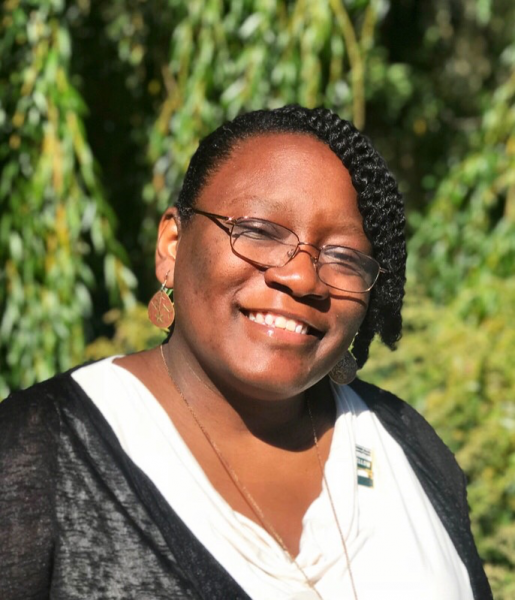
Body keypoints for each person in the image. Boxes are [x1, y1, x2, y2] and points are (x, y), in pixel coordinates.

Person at [0, 105, 491, 600]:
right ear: (172, 246)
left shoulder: (405, 444)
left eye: (343, 257)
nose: (300, 278)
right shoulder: (36, 451)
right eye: (258, 231)